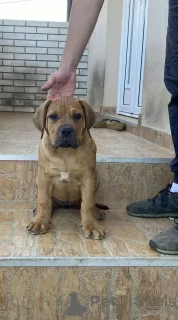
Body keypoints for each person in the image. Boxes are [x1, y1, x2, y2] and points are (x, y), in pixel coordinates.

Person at [41, 0, 178, 255]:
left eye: (76, 118)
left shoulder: (87, 143)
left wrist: (89, 212)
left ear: (87, 121)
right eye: (55, 119)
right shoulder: (45, 144)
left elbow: (89, 178)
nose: (66, 127)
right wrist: (68, 67)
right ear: (43, 122)